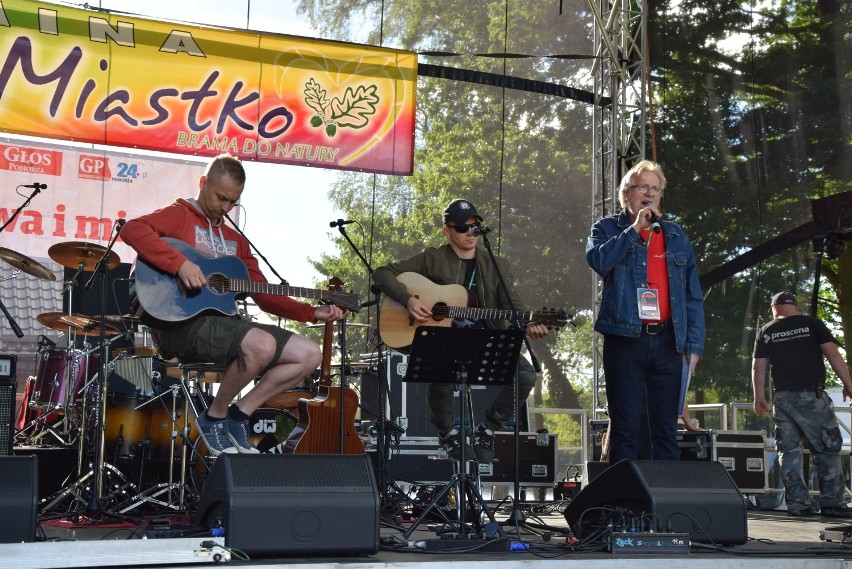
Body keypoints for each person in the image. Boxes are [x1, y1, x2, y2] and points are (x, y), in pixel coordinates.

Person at [121, 153, 346, 456]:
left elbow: (264, 293)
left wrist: (310, 312)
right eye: (220, 198)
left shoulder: (234, 239)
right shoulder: (180, 214)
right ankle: (213, 418)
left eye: (233, 202)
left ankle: (238, 416)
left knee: (309, 354)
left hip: (224, 324)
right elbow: (132, 230)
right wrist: (180, 265)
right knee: (262, 345)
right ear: (203, 184)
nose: (225, 208)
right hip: (180, 325)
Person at [372, 199, 549, 463]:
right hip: (443, 337)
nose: (470, 233)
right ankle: (447, 432)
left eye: (474, 227)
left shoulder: (495, 264)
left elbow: (513, 304)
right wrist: (408, 300)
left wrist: (528, 322)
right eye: (462, 228)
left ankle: (487, 429)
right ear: (447, 231)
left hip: (483, 334)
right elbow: (382, 272)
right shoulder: (432, 258)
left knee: (525, 374)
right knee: (442, 362)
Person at [585, 159, 704, 463]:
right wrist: (635, 229)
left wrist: (693, 346)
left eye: (656, 188)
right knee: (625, 427)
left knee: (666, 429)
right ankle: (625, 507)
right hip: (626, 338)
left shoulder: (676, 235)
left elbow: (692, 296)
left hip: (668, 342)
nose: (650, 193)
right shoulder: (607, 228)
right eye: (644, 187)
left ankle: (665, 505)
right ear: (628, 194)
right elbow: (599, 262)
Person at [752, 291, 852, 517]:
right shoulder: (812, 324)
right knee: (826, 448)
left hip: (782, 399)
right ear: (795, 307)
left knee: (789, 452)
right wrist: (848, 384)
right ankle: (833, 503)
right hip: (810, 396)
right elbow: (833, 355)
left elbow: (758, 366)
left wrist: (759, 396)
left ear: (774, 308)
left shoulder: (767, 331)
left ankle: (798, 504)